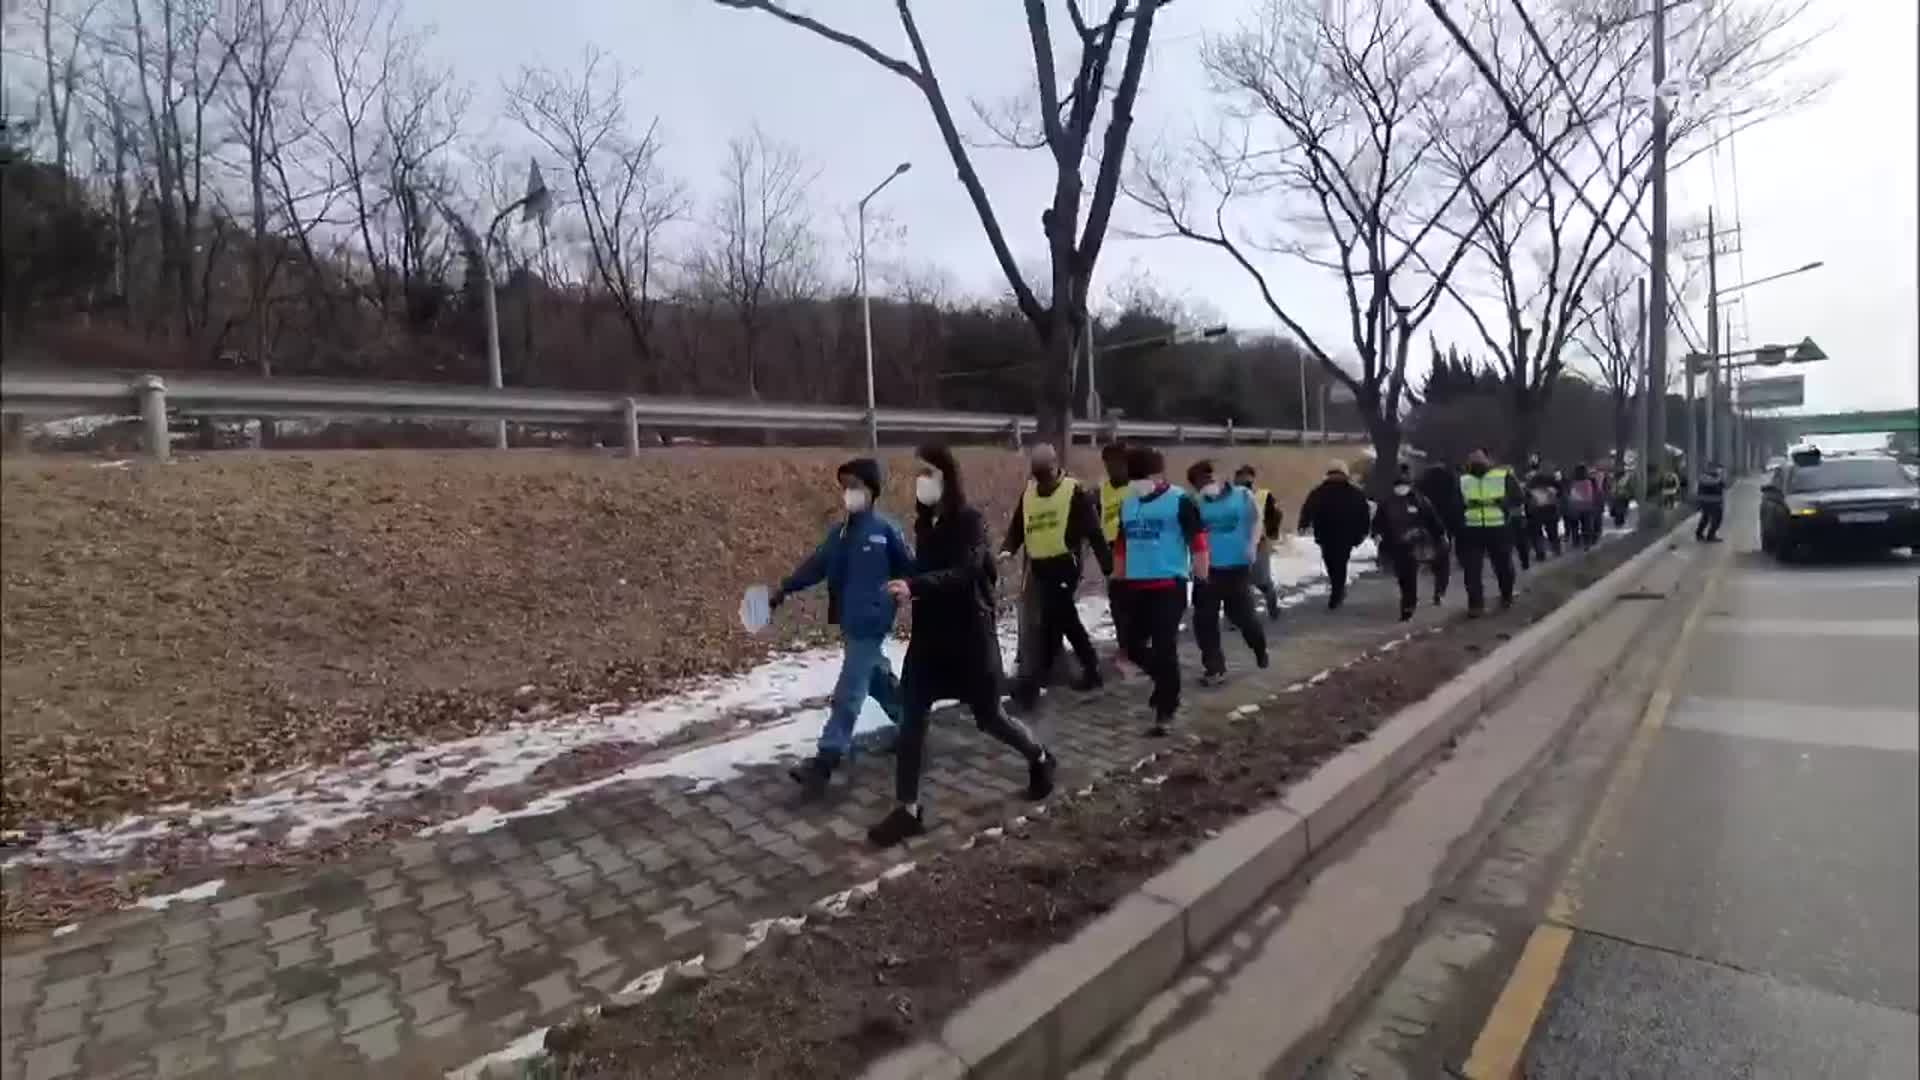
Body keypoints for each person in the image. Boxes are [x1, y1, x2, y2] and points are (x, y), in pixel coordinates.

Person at [873, 445, 1056, 847]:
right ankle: (908, 809)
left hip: (970, 638)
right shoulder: (924, 526)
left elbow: (965, 571)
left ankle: (1040, 757)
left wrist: (916, 584)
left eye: (928, 474)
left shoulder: (969, 520)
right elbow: (923, 572)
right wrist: (896, 580)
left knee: (990, 718)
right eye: (916, 475)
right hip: (928, 640)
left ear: (946, 478)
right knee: (912, 718)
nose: (920, 482)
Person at [770, 458, 914, 796]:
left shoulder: (886, 530)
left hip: (873, 621)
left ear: (872, 491)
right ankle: (912, 727)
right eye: (844, 487)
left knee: (849, 692)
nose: (848, 493)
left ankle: (826, 760)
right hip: (850, 621)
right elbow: (815, 566)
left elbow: (912, 569)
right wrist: (784, 589)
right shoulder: (840, 534)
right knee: (876, 678)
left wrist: (910, 590)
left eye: (855, 485)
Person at [1001, 443, 1113, 707]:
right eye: (1037, 475)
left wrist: (1107, 566)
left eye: (1045, 474)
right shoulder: (1029, 494)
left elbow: (1094, 531)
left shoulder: (1073, 491)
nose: (1042, 480)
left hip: (1065, 564)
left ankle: (1043, 680)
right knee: (1056, 620)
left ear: (1055, 468)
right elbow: (1018, 525)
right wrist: (1008, 548)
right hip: (1039, 565)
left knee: (1061, 617)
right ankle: (1052, 676)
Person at [1114, 445, 1209, 736]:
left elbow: (1198, 541)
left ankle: (1165, 711)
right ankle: (1167, 683)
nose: (1137, 483)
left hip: (1169, 585)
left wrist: (1202, 577)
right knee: (1132, 646)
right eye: (1134, 478)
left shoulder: (1179, 500)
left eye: (1142, 477)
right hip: (1136, 585)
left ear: (1158, 475)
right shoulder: (1128, 504)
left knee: (1165, 645)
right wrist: (1117, 578)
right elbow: (1121, 544)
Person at [1188, 460, 1269, 685]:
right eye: (1200, 483)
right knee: (1204, 620)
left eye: (1209, 478)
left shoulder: (1242, 495)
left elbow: (1256, 520)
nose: (1207, 485)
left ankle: (1259, 648)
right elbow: (1191, 534)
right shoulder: (1196, 502)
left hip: (1237, 567)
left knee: (1243, 618)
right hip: (1207, 569)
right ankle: (1215, 668)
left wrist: (1252, 544)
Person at [1372, 466, 1447, 620]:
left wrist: (1440, 534)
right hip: (1395, 544)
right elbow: (1379, 521)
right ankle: (1408, 601)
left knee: (1410, 574)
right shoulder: (1388, 502)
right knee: (1402, 576)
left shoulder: (1419, 500)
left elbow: (1432, 519)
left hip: (1415, 543)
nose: (1401, 488)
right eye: (1398, 485)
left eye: (1404, 485)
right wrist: (1377, 534)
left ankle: (1408, 606)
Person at [1296, 460, 1372, 610]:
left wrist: (1303, 524)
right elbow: (1308, 509)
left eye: (1337, 474)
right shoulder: (1321, 492)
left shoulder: (1353, 493)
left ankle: (1337, 593)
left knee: (1336, 563)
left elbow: (1363, 513)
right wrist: (1363, 532)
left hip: (1337, 535)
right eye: (1333, 474)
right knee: (1335, 563)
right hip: (1334, 534)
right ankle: (1338, 590)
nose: (1335, 477)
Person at [1457, 447, 1522, 616]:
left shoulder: (1502, 476)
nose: (1476, 461)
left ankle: (1506, 595)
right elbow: (1455, 504)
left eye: (1479, 457)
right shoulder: (1463, 480)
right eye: (1472, 458)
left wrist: (1504, 503)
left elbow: (1519, 497)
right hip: (1472, 530)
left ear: (1488, 459)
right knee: (1472, 570)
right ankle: (1475, 605)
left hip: (1498, 527)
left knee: (1503, 566)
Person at [1097, 442, 1135, 675]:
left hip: (1135, 548)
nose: (1112, 468)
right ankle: (1125, 647)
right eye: (1108, 464)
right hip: (1112, 550)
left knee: (1134, 601)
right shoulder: (1103, 490)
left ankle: (1135, 646)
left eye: (1117, 463)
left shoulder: (1136, 488)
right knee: (1117, 602)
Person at [1233, 464, 1285, 620]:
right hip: (1237, 544)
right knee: (1238, 582)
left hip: (1257, 543)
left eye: (1246, 478)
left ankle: (1273, 608)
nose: (1243, 482)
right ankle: (1238, 616)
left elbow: (1275, 516)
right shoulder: (1230, 496)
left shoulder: (1263, 495)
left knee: (1262, 581)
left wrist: (1271, 532)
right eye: (1241, 478)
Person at [1415, 460, 1462, 605]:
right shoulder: (1451, 485)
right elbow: (1457, 507)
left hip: (1426, 527)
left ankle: (1413, 592)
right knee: (1443, 562)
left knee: (1420, 558)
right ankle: (1439, 591)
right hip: (1445, 526)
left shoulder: (1422, 486)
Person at [1523, 455, 1564, 561]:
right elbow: (1560, 491)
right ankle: (1556, 549)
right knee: (1552, 531)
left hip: (1536, 511)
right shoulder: (1551, 479)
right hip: (1550, 509)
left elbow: (1526, 497)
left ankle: (1540, 553)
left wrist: (1528, 511)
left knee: (1537, 533)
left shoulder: (1530, 482)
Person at [1564, 463, 1601, 550]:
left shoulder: (1571, 482)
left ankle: (1576, 541)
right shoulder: (1590, 481)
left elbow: (1568, 494)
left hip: (1574, 507)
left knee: (1575, 526)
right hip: (1587, 507)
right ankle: (1587, 542)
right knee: (1587, 526)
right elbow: (1596, 493)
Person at [1694, 460, 1727, 542]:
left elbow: (1723, 487)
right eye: (1719, 469)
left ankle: (1699, 534)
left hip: (1712, 501)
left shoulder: (1710, 476)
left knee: (1705, 518)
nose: (1720, 471)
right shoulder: (1706, 477)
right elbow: (1713, 483)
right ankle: (1710, 536)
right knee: (1717, 519)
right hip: (1711, 502)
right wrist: (1719, 478)